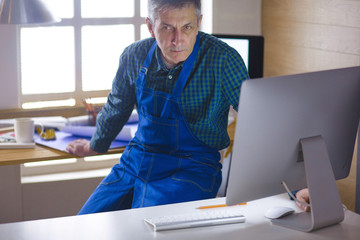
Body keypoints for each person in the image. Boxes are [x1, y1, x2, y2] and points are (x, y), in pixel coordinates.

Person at [67, 0, 310, 214]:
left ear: (199, 23)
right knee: (86, 225)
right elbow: (116, 106)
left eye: (187, 27)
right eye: (167, 27)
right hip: (137, 160)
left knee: (146, 229)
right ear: (151, 26)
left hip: (193, 167)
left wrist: (295, 187)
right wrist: (95, 145)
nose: (178, 40)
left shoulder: (223, 60)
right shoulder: (133, 56)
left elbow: (263, 125)